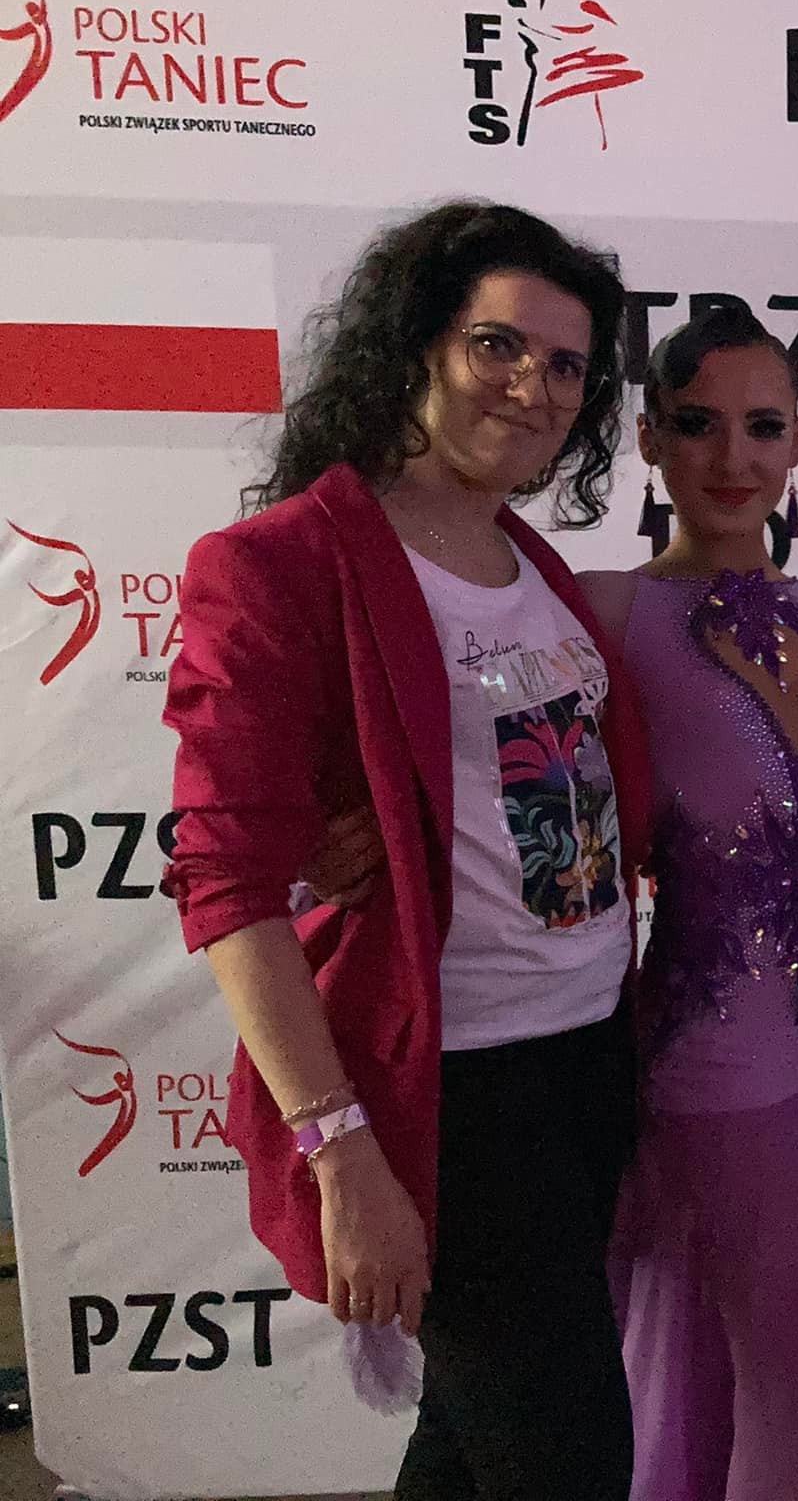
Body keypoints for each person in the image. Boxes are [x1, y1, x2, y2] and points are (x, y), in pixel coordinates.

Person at [160, 201, 649, 1499]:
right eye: (499, 345)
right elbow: (226, 886)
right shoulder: (282, 564)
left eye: (566, 365)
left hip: (585, 1061)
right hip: (448, 1096)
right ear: (418, 343)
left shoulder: (529, 562)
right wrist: (342, 1150)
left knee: (473, 1443)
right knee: (569, 1459)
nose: (535, 386)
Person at [579, 303, 798, 1501]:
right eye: (697, 425)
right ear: (648, 440)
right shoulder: (606, 612)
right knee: (774, 1366)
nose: (733, 457)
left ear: (796, 444)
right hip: (702, 1055)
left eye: (762, 427)